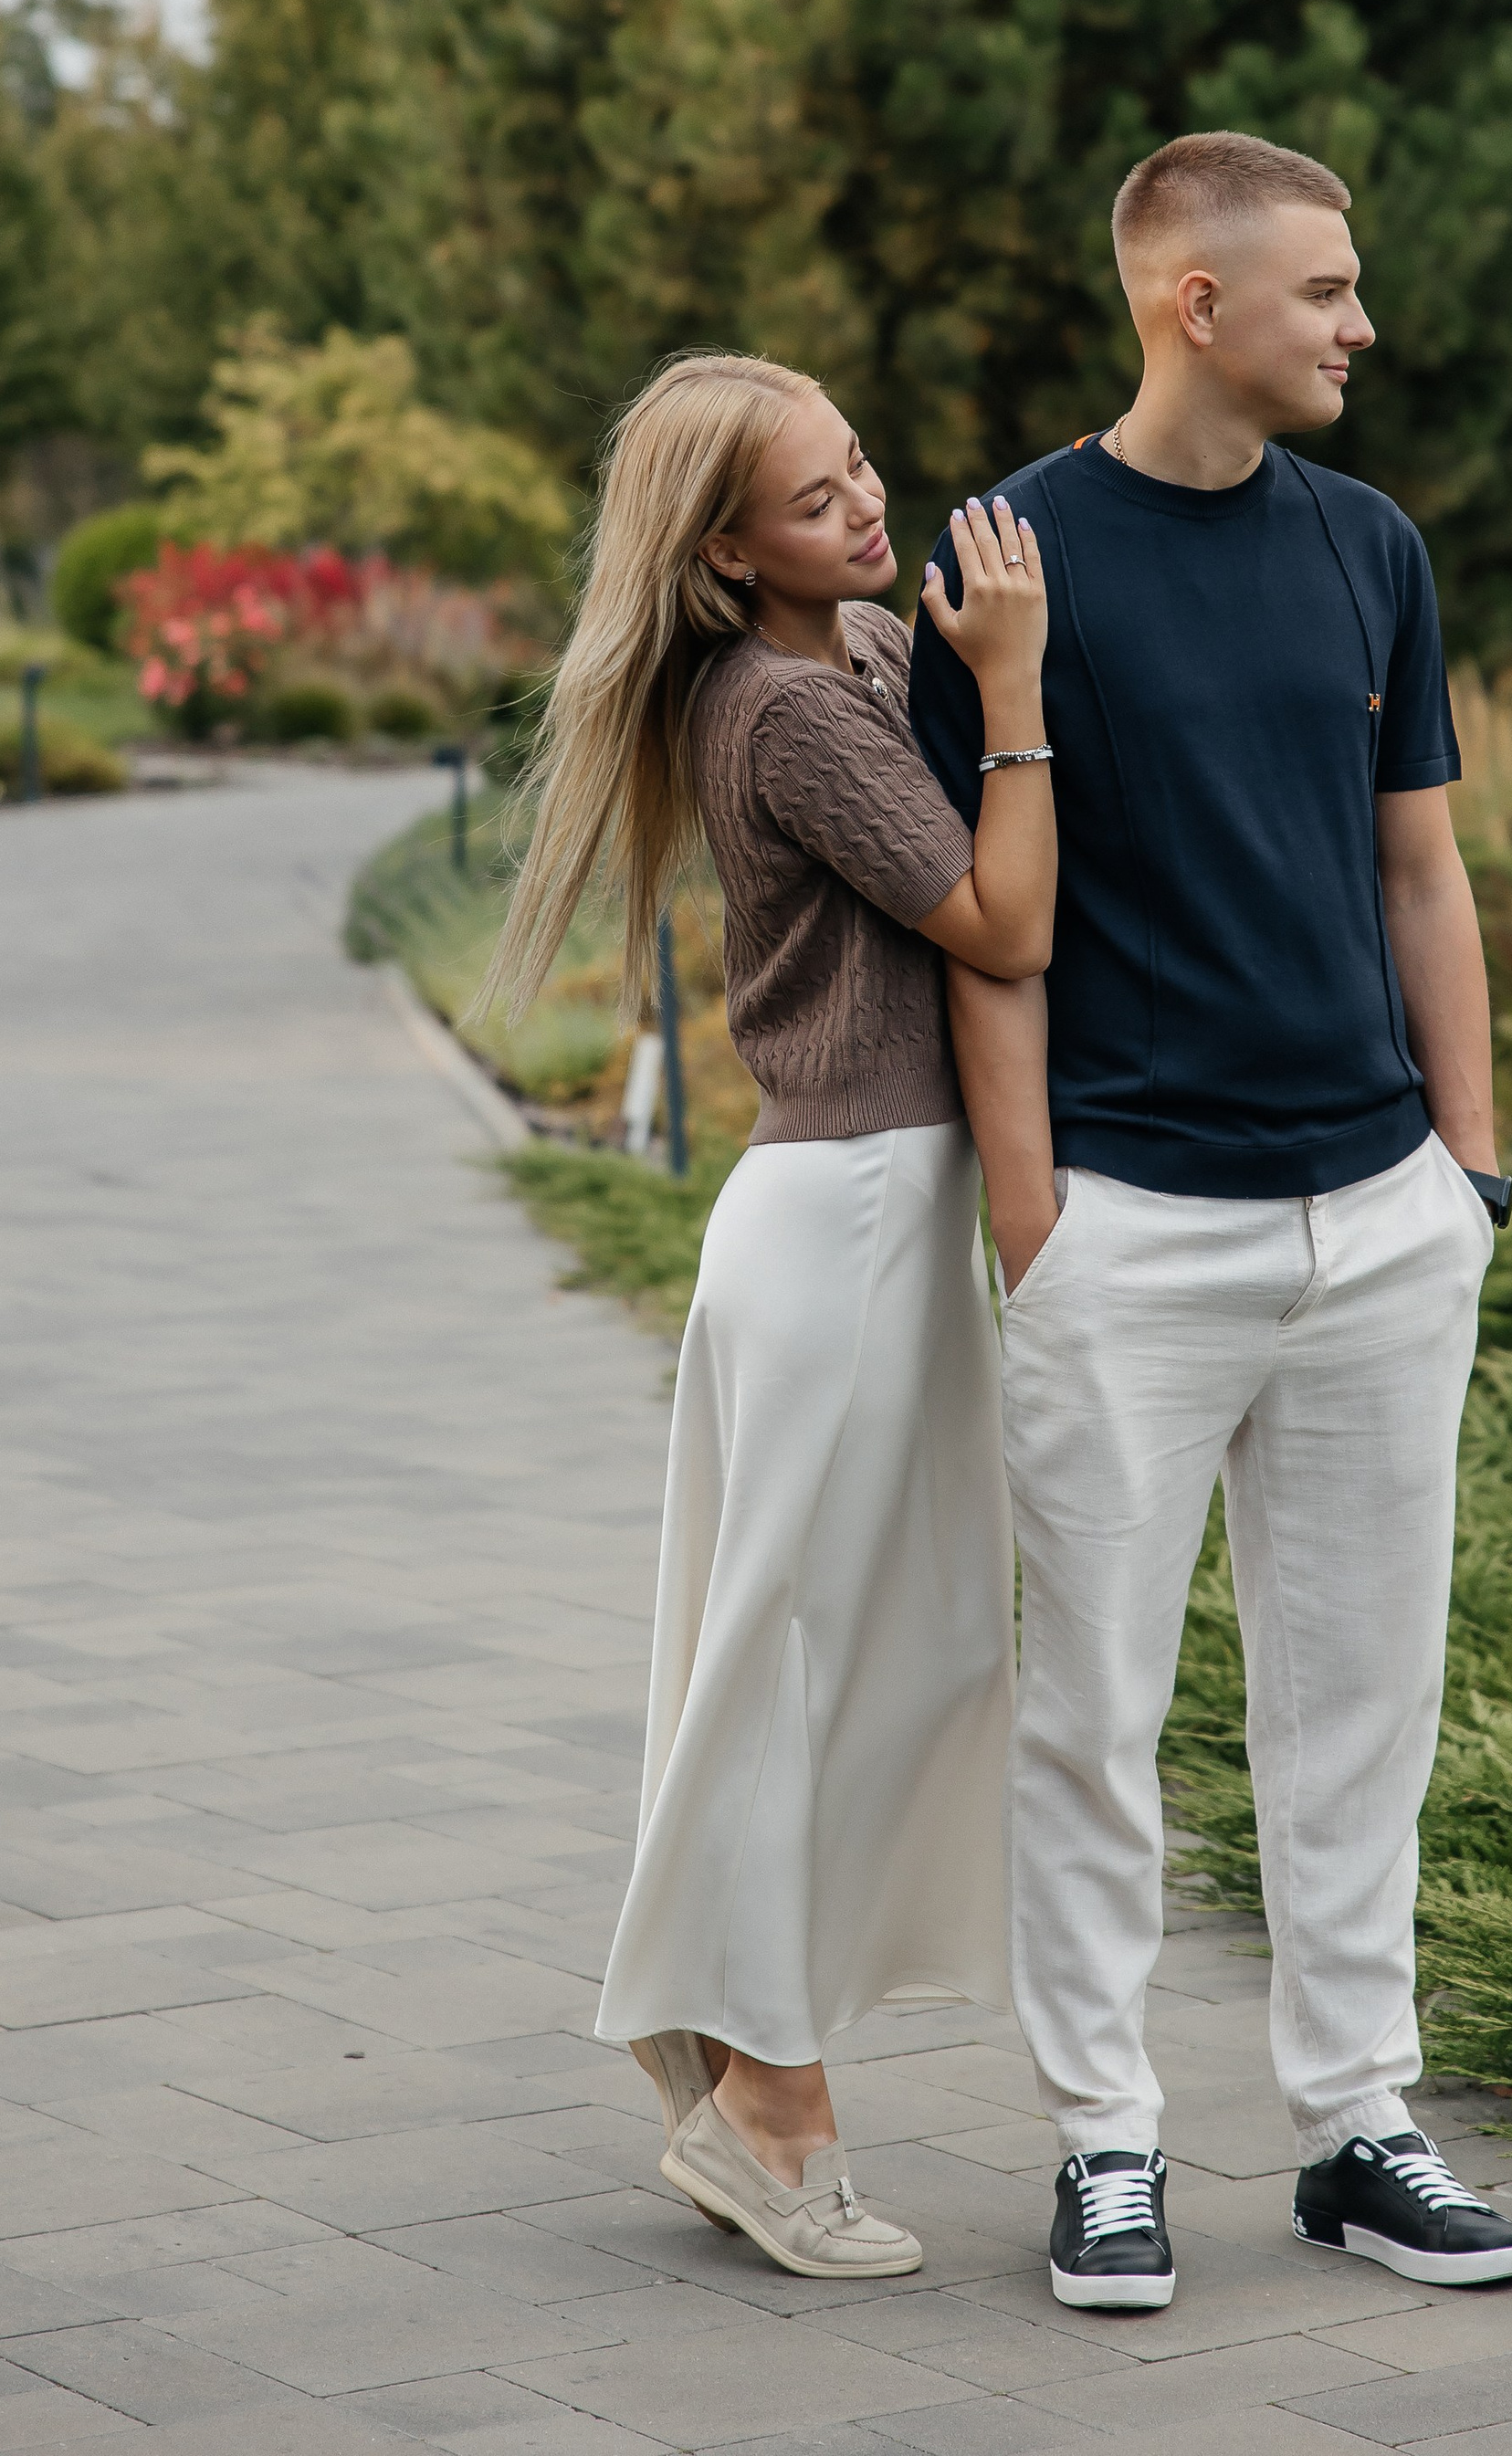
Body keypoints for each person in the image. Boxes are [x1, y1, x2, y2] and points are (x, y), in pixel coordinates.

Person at [910, 132, 1512, 2310]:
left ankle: (1359, 2126)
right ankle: (1103, 2144)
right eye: (1328, 290)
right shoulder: (1007, 557)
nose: (1361, 324)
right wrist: (1033, 1221)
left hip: (1375, 1217)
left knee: (1362, 1695)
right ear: (1194, 301)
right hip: (1128, 1230)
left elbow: (1416, 871)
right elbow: (985, 930)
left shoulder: (1370, 548)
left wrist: (1462, 1169)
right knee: (1087, 1706)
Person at [481, 351, 1055, 2283]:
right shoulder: (788, 706)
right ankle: (764, 2104)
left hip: (870, 1216)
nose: (868, 510)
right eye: (817, 504)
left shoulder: (863, 657)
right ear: (724, 550)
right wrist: (1028, 693)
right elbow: (995, 921)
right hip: (851, 1216)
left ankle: (720, 2014)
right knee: (793, 1665)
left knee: (879, 1653)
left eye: (861, 469)